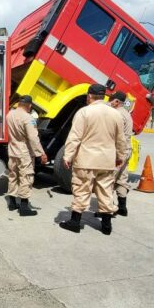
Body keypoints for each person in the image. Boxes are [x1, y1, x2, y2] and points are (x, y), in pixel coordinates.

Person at [59, 84, 128, 235]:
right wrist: (120, 157)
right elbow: (121, 140)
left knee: (82, 189)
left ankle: (75, 222)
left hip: (86, 160)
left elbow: (75, 137)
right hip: (107, 161)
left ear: (89, 96)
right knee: (105, 191)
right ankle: (106, 226)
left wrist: (68, 156)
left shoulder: (84, 112)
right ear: (104, 96)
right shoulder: (116, 114)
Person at [4, 95, 47, 217]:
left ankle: (12, 202)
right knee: (26, 177)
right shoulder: (28, 118)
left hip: (12, 150)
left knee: (13, 175)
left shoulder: (10, 114)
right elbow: (33, 138)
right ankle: (24, 206)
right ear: (29, 105)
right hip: (24, 152)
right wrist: (41, 153)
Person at [108, 91, 133, 216]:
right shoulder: (127, 114)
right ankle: (122, 208)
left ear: (117, 101)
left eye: (111, 100)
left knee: (108, 180)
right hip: (127, 150)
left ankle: (109, 209)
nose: (109, 103)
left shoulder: (117, 114)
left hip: (118, 151)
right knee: (122, 179)